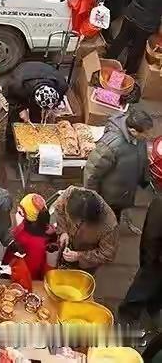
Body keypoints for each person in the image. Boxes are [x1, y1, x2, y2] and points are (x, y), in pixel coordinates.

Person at [84, 108, 153, 228]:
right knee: (106, 223)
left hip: (123, 194)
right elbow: (92, 171)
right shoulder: (112, 145)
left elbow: (141, 158)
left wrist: (144, 179)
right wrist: (92, 199)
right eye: (146, 133)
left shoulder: (139, 139)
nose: (149, 136)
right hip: (109, 198)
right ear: (133, 131)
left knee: (115, 219)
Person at [107, 0, 162, 75]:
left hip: (131, 15)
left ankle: (107, 59)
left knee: (121, 39)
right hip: (145, 24)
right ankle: (129, 72)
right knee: (136, 48)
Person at [53, 186, 119, 272]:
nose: (77, 224)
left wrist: (79, 256)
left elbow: (107, 255)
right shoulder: (69, 195)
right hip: (69, 244)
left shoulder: (109, 226)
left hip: (87, 261)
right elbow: (59, 209)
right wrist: (63, 231)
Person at [119, 194, 162, 324]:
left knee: (141, 293)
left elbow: (151, 237)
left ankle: (130, 320)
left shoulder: (159, 203)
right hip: (156, 261)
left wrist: (147, 260)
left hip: (155, 263)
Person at [8, 193, 56, 280]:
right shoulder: (49, 231)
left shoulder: (27, 236)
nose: (19, 213)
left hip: (27, 277)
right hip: (39, 275)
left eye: (21, 211)